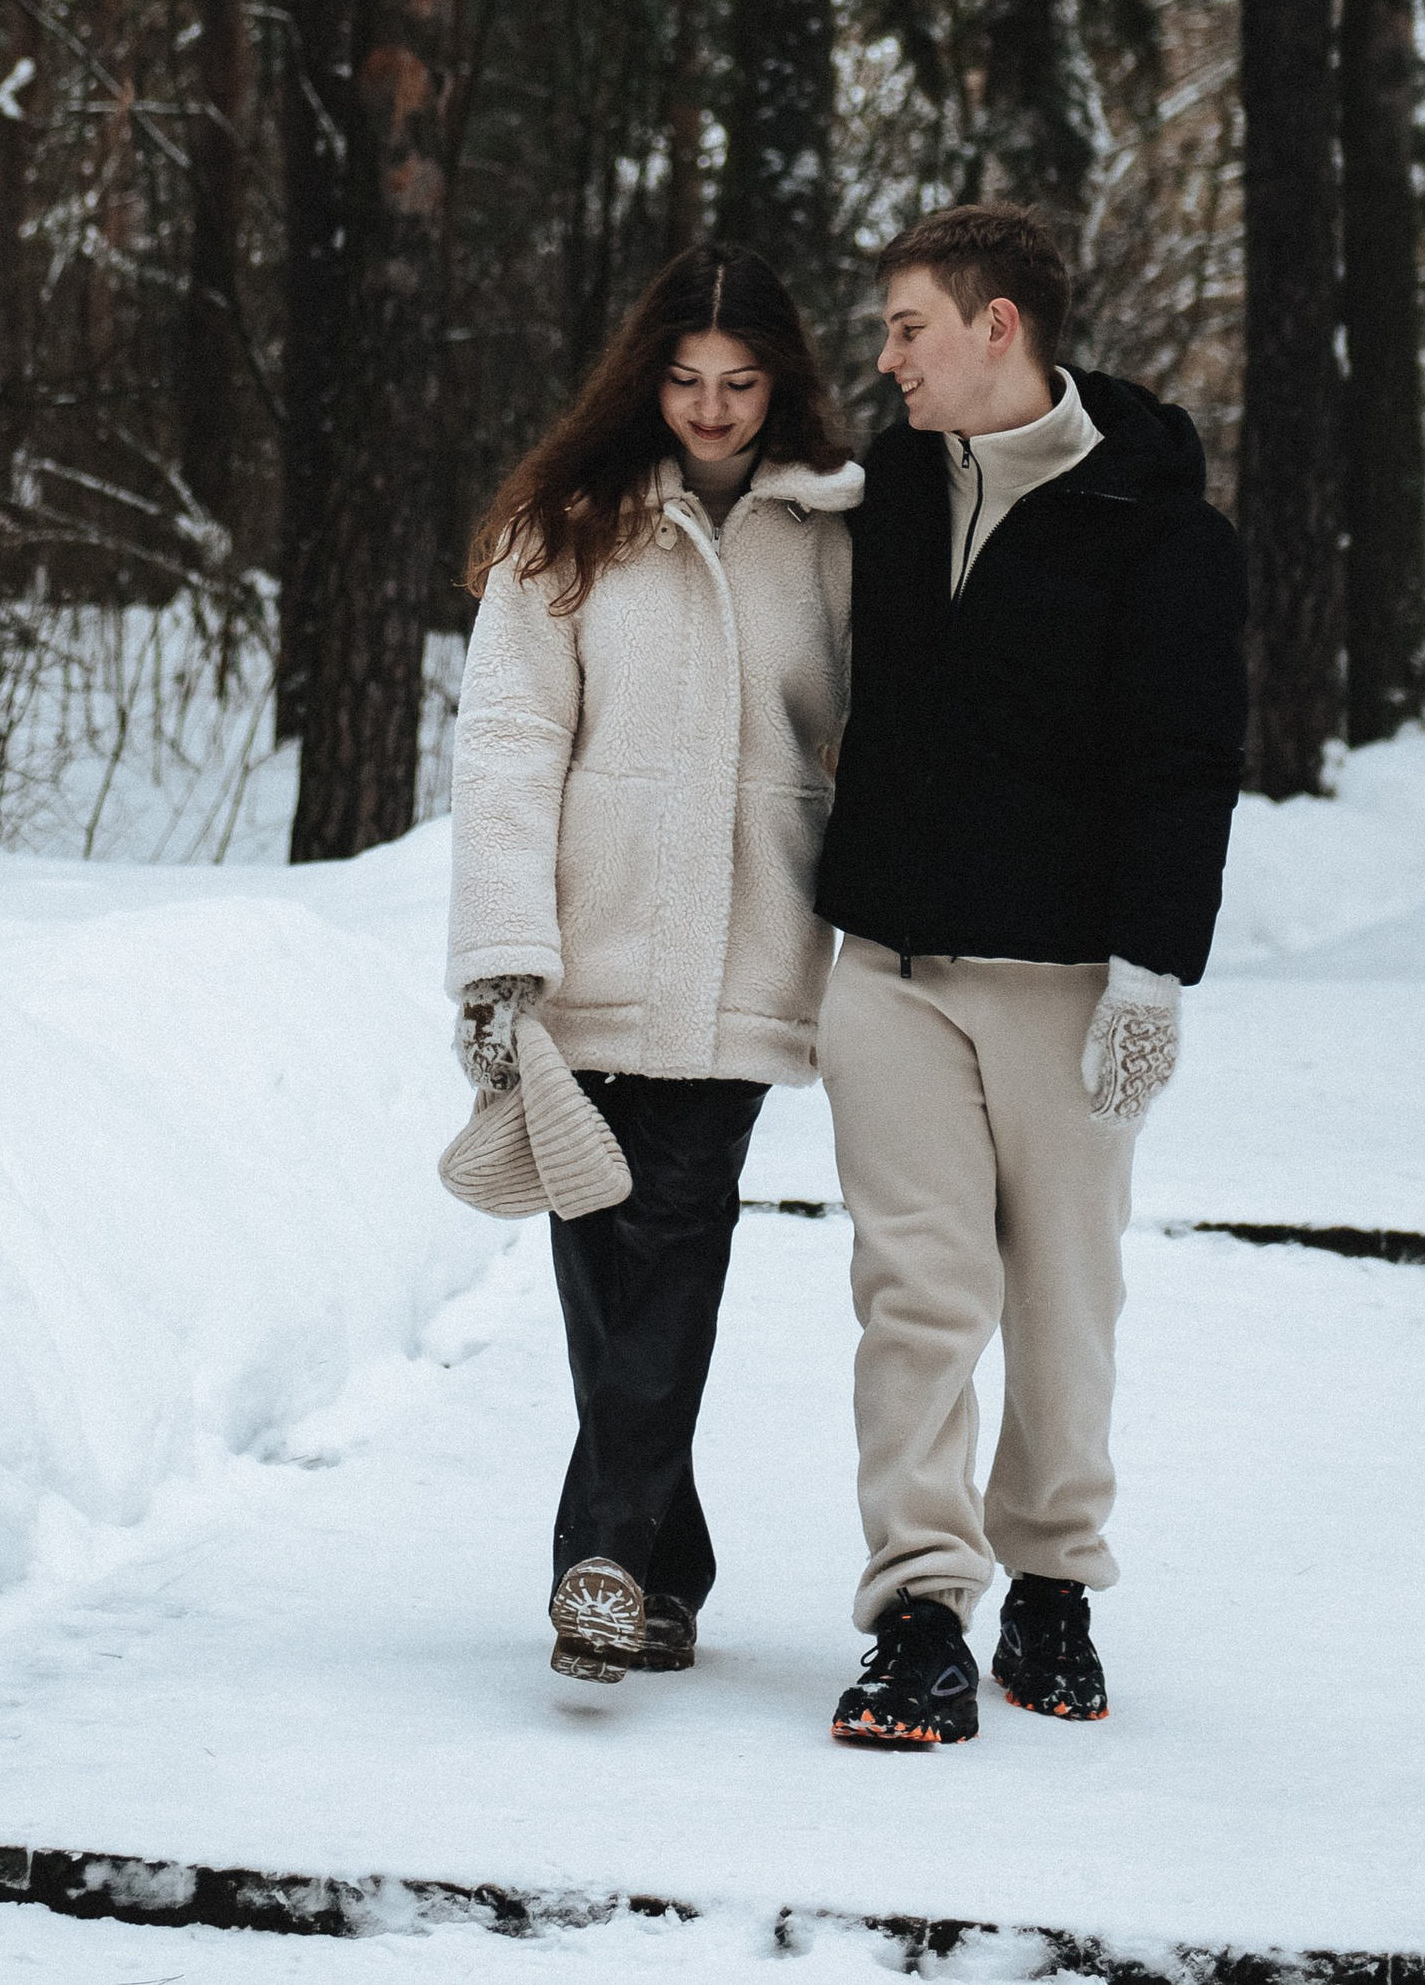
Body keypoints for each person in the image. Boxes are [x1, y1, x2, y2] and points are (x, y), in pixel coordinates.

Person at [812, 202, 1246, 1750]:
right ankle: (922, 1608)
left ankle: (1052, 1578)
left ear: (1000, 327)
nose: (889, 359)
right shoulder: (879, 495)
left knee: (1064, 1293)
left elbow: (1190, 765)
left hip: (1067, 984)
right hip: (891, 970)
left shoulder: (1160, 530)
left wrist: (1153, 973)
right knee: (917, 1296)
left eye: (909, 326)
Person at [445, 240, 861, 1686]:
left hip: (750, 946)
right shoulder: (568, 529)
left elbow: (869, 736)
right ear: (647, 377)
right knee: (598, 1259)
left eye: (741, 384)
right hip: (588, 943)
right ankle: (664, 1569)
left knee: (677, 1231)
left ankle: (602, 1563)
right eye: (686, 380)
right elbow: (506, 742)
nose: (712, 408)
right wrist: (504, 958)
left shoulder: (832, 534)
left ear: (779, 385)